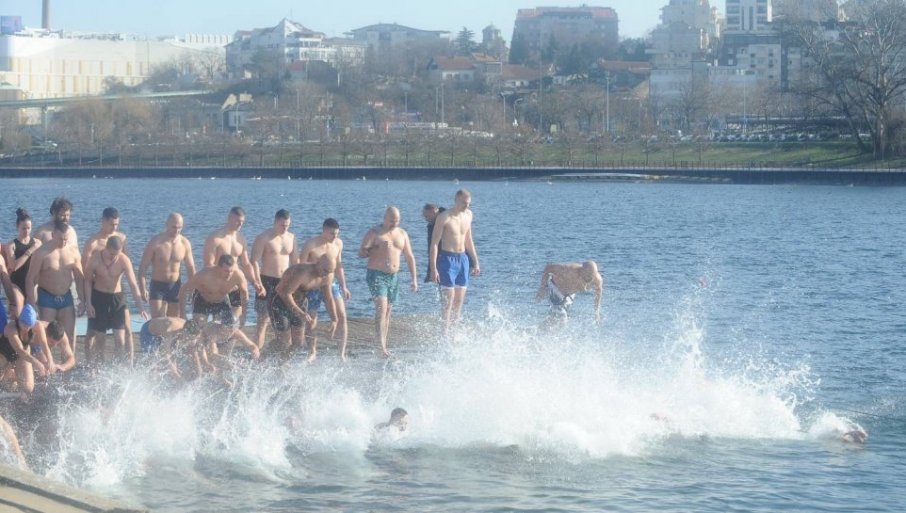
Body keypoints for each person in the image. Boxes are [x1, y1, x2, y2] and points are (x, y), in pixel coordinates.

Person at [359, 207, 417, 358]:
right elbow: (361, 253)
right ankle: (381, 347)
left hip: (393, 276)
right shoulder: (374, 232)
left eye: (397, 221)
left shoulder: (402, 234)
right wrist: (375, 248)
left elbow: (409, 256)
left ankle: (383, 343)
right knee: (381, 308)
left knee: (388, 311)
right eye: (391, 220)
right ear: (385, 217)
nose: (394, 223)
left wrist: (414, 279)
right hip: (376, 274)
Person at [177, 255, 259, 360]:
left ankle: (248, 346)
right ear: (218, 267)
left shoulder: (238, 275)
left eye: (231, 271)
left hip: (221, 301)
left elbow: (244, 294)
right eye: (226, 271)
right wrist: (182, 313)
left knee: (230, 327)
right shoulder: (204, 275)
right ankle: (200, 355)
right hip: (202, 300)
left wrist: (244, 315)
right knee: (199, 326)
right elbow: (183, 290)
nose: (229, 274)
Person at [82, 208, 136, 363]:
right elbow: (85, 271)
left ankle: (128, 364)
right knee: (93, 333)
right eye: (112, 224)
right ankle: (91, 364)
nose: (114, 228)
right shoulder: (93, 242)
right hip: (97, 291)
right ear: (103, 221)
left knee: (126, 329)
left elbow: (126, 262)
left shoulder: (121, 238)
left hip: (117, 291)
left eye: (117, 224)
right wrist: (85, 300)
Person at [84, 235, 148, 366]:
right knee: (100, 338)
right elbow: (88, 282)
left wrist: (141, 307)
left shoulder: (124, 260)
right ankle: (99, 366)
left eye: (117, 254)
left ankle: (117, 368)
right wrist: (88, 303)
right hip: (99, 298)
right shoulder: (95, 259)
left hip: (117, 298)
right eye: (112, 254)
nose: (115, 257)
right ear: (106, 248)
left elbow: (133, 284)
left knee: (120, 339)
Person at [25, 221, 85, 350]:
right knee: (46, 337)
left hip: (66, 297)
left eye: (65, 239)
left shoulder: (73, 251)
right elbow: (30, 278)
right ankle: (44, 361)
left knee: (69, 337)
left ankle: (69, 362)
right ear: (53, 235)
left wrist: (82, 300)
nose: (63, 242)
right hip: (47, 297)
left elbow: (79, 278)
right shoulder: (41, 253)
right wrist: (31, 302)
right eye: (60, 239)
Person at [429, 189, 480, 335]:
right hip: (447, 260)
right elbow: (434, 244)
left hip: (463, 260)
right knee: (448, 301)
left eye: (468, 203)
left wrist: (475, 262)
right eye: (464, 203)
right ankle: (444, 334)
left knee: (458, 302)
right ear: (456, 199)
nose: (466, 206)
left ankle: (453, 334)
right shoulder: (444, 217)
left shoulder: (468, 215)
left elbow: (468, 239)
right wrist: (433, 268)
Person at [298, 218, 351, 360]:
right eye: (332, 233)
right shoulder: (311, 244)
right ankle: (312, 351)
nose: (335, 237)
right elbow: (300, 266)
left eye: (337, 234)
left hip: (331, 284)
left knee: (342, 315)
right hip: (313, 285)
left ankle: (341, 353)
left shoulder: (338, 243)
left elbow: (339, 266)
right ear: (324, 230)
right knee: (312, 319)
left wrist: (344, 286)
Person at [202, 207, 264, 326]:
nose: (239, 224)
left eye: (242, 222)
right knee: (218, 323)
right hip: (219, 287)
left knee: (234, 322)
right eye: (237, 221)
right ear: (229, 218)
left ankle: (231, 334)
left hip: (235, 286)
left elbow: (246, 264)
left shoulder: (240, 239)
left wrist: (254, 282)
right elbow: (208, 265)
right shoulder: (215, 238)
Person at [269, 255, 336, 362]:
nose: (326, 274)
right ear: (318, 263)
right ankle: (262, 356)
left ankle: (281, 364)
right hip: (280, 301)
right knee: (283, 342)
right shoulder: (302, 272)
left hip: (300, 302)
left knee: (298, 343)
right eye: (325, 270)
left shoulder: (328, 276)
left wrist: (334, 320)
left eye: (330, 272)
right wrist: (300, 313)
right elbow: (285, 293)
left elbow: (328, 298)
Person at [250, 209, 296, 351]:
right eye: (282, 225)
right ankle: (256, 355)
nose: (285, 228)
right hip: (267, 282)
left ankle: (275, 353)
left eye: (287, 225)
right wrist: (258, 282)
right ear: (275, 222)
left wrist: (297, 284)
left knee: (283, 323)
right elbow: (254, 261)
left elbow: (296, 263)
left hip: (285, 283)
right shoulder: (264, 237)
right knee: (263, 322)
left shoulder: (292, 238)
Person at [138, 213, 197, 318]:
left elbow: (190, 267)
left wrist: (192, 288)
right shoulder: (156, 242)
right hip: (158, 286)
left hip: (175, 286)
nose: (176, 230)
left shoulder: (184, 243)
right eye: (174, 227)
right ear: (166, 224)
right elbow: (143, 267)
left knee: (173, 321)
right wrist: (143, 288)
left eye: (179, 227)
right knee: (158, 320)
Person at [0, 304, 50, 395]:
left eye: (28, 325)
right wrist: (37, 363)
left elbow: (44, 344)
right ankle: (9, 372)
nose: (26, 327)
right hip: (4, 354)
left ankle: (13, 374)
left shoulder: (37, 325)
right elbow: (20, 351)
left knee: (28, 388)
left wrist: (50, 361)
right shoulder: (11, 329)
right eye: (23, 324)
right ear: (19, 320)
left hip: (21, 355)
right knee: (1, 381)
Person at [534, 261, 604, 325]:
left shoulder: (597, 280)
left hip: (569, 295)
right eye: (587, 274)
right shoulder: (570, 270)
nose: (589, 277)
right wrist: (542, 288)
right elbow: (549, 268)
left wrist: (596, 313)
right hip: (555, 288)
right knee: (562, 317)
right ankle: (543, 332)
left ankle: (537, 330)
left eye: (591, 276)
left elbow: (598, 294)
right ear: (582, 270)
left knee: (555, 319)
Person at [5, 208, 42, 302]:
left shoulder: (37, 243)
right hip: (16, 283)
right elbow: (14, 267)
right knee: (18, 308)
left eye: (28, 228)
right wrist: (31, 250)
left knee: (32, 309)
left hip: (33, 283)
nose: (26, 231)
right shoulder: (11, 245)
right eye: (23, 228)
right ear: (17, 227)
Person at [421, 203, 445, 283]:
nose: (426, 219)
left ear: (433, 211)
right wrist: (431, 268)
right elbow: (431, 247)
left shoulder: (446, 218)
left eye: (426, 216)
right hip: (436, 258)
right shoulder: (431, 225)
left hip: (445, 257)